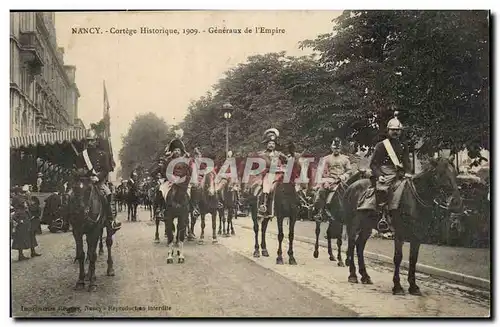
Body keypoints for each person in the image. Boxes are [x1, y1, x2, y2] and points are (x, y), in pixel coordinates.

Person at [369, 111, 412, 231]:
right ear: (388, 131)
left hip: (400, 173)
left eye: (397, 130)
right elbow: (373, 164)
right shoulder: (381, 145)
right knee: (383, 190)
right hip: (385, 173)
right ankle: (382, 218)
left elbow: (407, 161)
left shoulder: (404, 145)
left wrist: (408, 172)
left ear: (400, 132)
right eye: (392, 130)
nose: (395, 132)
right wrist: (379, 175)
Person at [80, 129, 121, 231]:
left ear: (96, 141)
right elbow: (78, 168)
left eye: (92, 140)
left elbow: (105, 169)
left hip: (99, 183)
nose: (90, 143)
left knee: (108, 194)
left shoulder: (103, 154)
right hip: (85, 182)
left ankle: (110, 220)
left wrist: (97, 177)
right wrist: (85, 174)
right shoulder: (82, 155)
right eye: (88, 140)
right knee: (72, 196)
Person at [313, 137, 353, 221]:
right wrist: (326, 181)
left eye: (338, 148)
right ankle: (320, 212)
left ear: (340, 148)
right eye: (335, 148)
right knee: (321, 191)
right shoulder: (326, 159)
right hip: (329, 180)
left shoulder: (345, 159)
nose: (336, 150)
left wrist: (342, 177)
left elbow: (349, 171)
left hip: (342, 180)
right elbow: (322, 172)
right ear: (332, 148)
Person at [256, 128, 288, 216]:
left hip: (279, 175)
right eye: (269, 143)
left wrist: (285, 167)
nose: (271, 145)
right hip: (267, 174)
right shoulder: (261, 154)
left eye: (273, 143)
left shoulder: (279, 154)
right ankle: (264, 205)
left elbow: (288, 161)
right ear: (266, 144)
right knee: (267, 187)